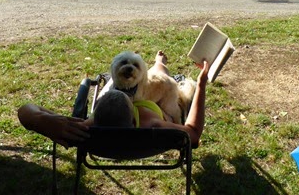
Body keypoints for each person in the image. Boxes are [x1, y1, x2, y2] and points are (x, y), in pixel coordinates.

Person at [18, 53, 209, 148]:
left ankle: (157, 65)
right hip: (162, 113)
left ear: (97, 114)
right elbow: (193, 134)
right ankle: (159, 63)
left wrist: (42, 120)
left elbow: (24, 111)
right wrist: (201, 84)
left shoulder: (83, 129)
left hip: (102, 143)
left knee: (153, 75)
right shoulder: (149, 121)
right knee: (158, 74)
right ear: (134, 112)